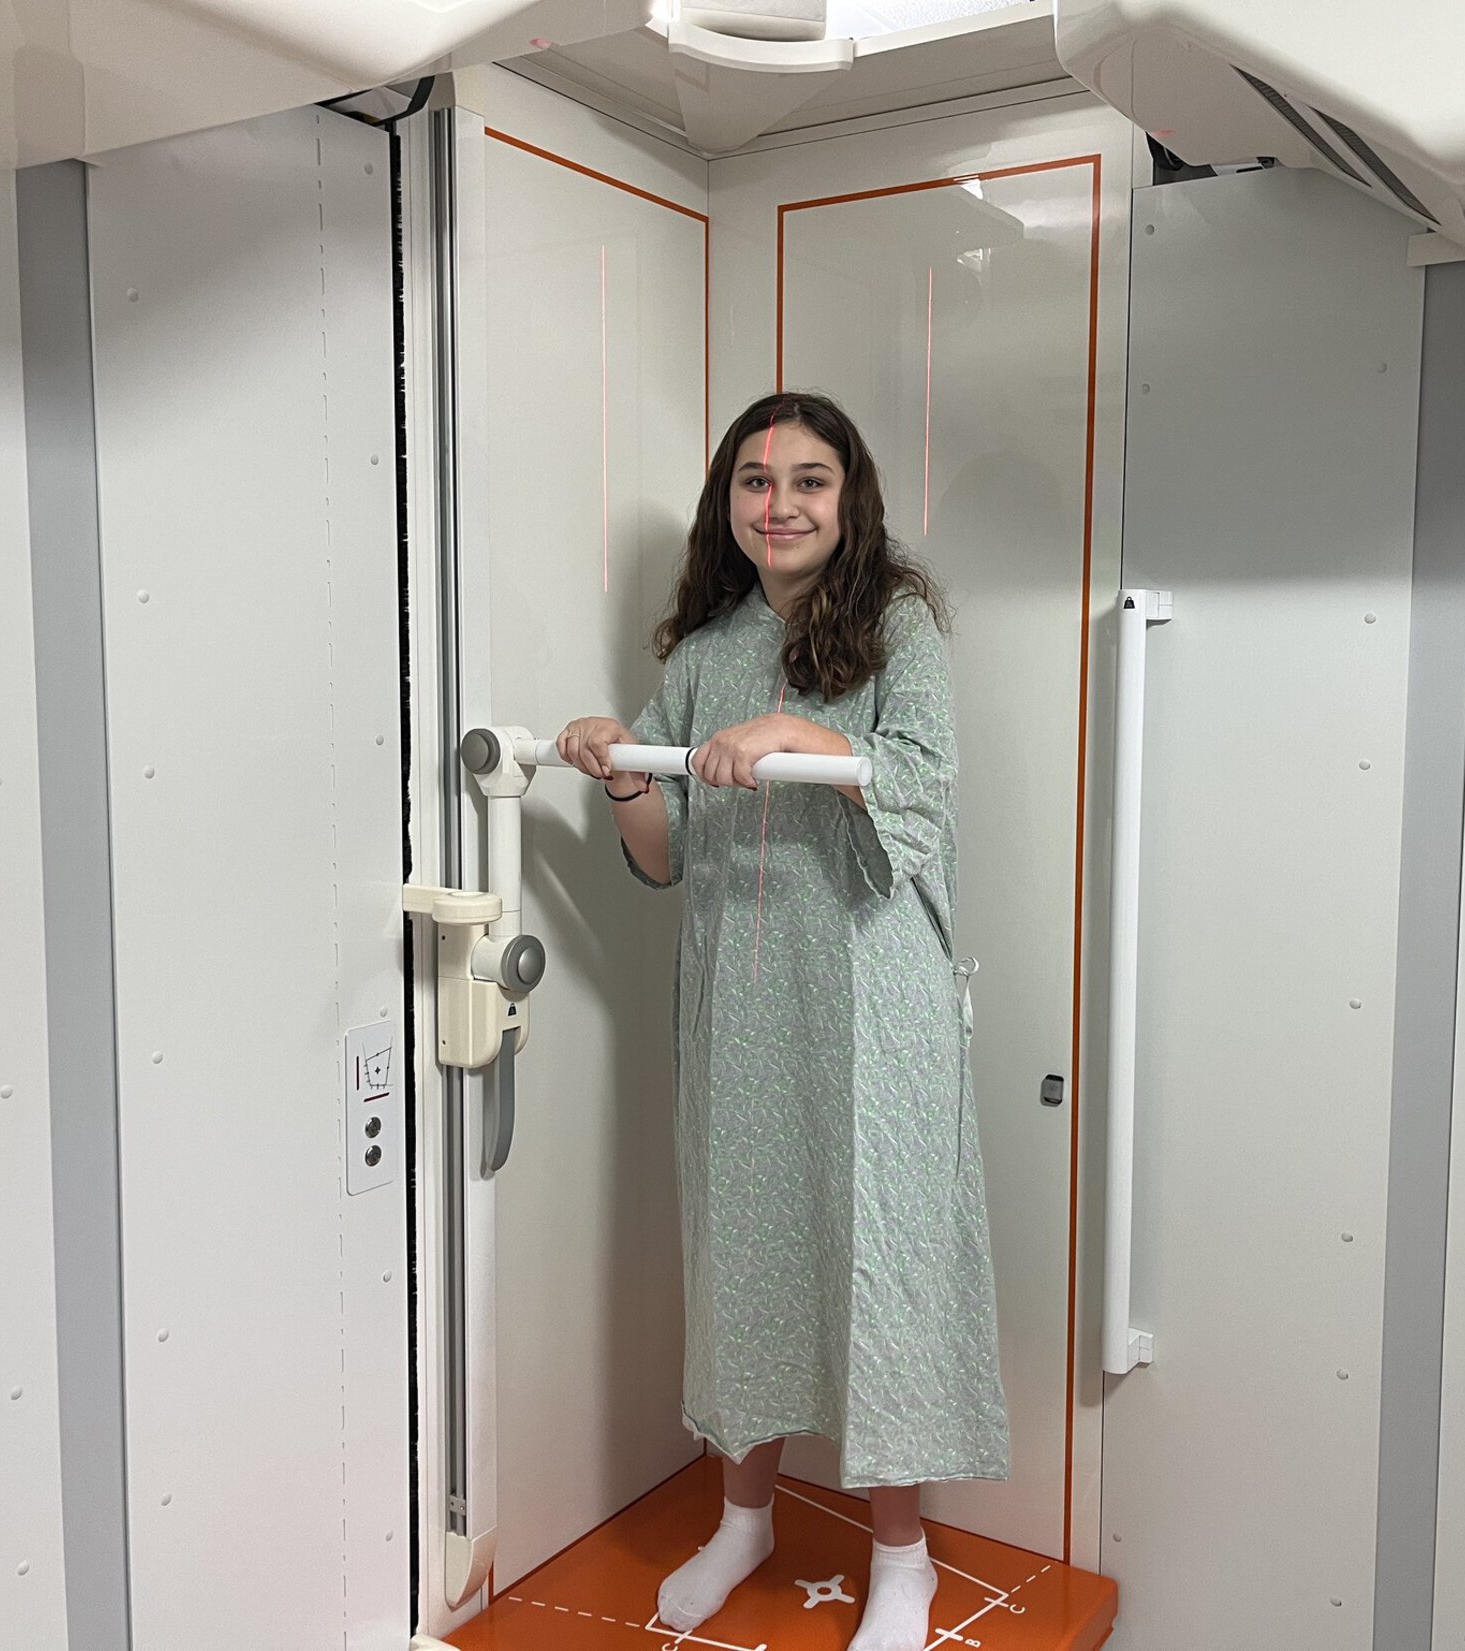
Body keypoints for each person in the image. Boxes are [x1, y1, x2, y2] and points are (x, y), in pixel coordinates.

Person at [556, 390, 1008, 1651]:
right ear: (730, 505)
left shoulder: (899, 628)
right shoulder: (703, 652)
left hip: (877, 1000)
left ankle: (901, 1553)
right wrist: (616, 768)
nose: (780, 503)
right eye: (756, 482)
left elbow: (916, 785)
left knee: (884, 1256)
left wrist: (808, 730)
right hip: (743, 1001)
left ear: (847, 497)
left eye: (808, 480)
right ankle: (743, 1515)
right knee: (744, 1243)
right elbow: (663, 857)